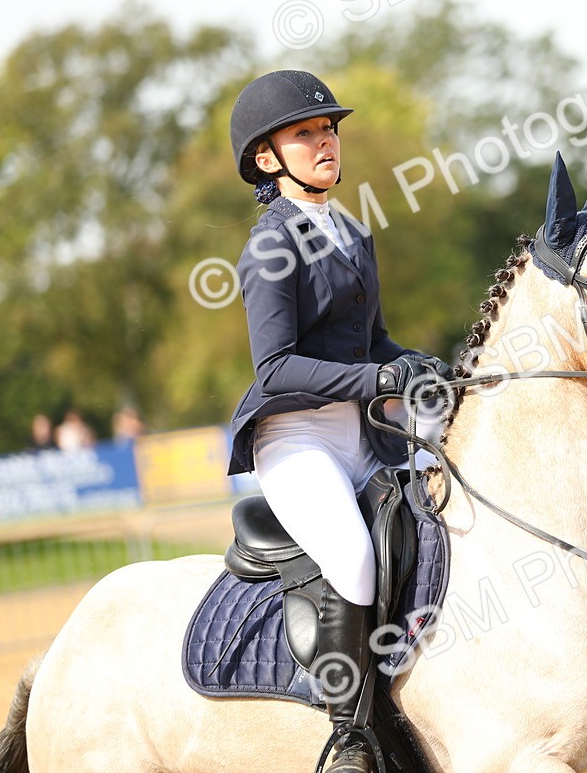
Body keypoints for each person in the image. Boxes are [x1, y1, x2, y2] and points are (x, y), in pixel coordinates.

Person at [226, 70, 453, 773]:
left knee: (447, 512)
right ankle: (350, 735)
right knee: (353, 557)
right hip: (294, 440)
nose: (325, 141)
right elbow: (276, 369)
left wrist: (420, 364)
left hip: (361, 432)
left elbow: (374, 342)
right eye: (305, 134)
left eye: (328, 130)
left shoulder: (352, 231)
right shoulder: (270, 246)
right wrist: (378, 379)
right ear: (268, 158)